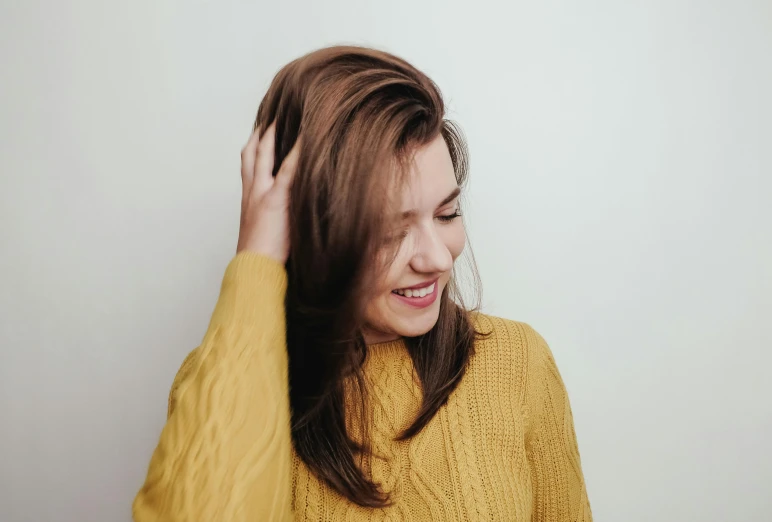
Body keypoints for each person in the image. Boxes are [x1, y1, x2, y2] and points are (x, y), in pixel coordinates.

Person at [132, 45, 592, 521]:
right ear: (309, 230)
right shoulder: (224, 379)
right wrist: (256, 261)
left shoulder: (518, 362)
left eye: (447, 213)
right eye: (391, 232)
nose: (437, 258)